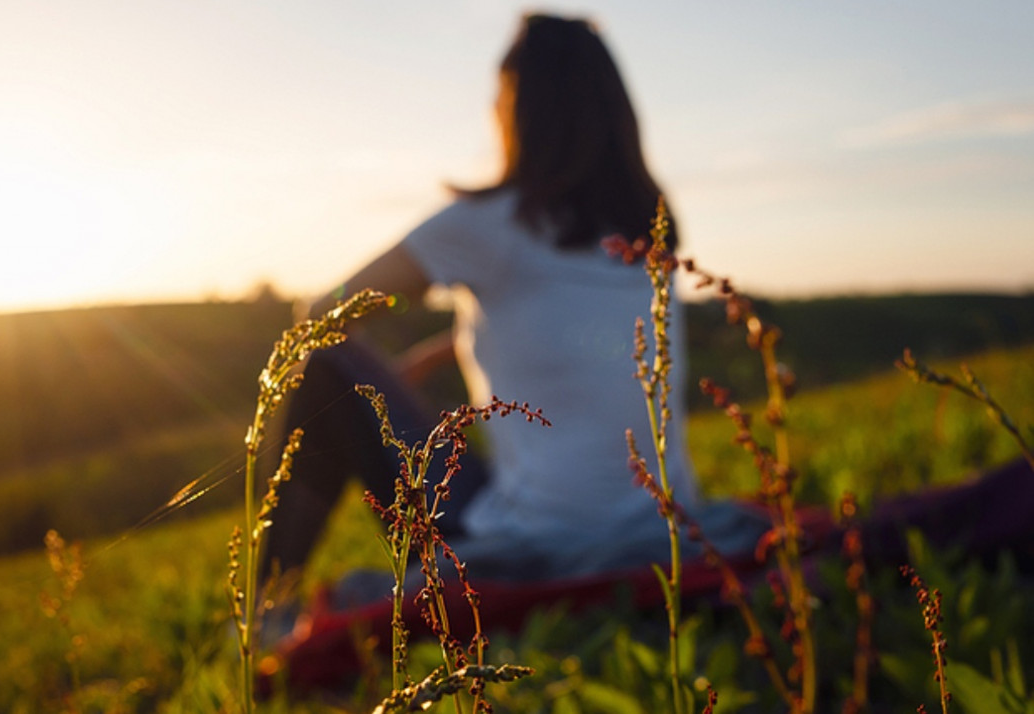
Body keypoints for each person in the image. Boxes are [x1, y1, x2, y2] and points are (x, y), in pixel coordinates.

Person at [262, 13, 764, 587]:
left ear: (514, 108)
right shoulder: (648, 227)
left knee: (321, 365)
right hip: (666, 523)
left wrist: (380, 370)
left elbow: (324, 312)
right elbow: (570, 331)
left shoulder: (487, 223)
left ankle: (264, 611)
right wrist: (442, 352)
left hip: (534, 541)